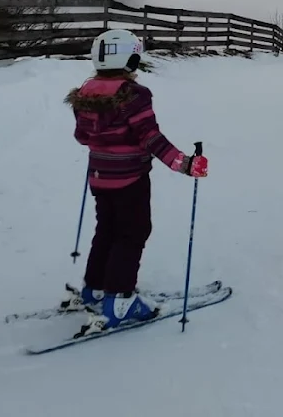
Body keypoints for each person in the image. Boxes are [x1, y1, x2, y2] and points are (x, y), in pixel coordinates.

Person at [64, 28, 207, 329]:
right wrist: (185, 164)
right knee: (132, 233)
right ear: (129, 59)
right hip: (130, 178)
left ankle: (96, 288)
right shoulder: (134, 96)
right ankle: (119, 301)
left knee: (107, 230)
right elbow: (150, 138)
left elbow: (81, 136)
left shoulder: (85, 94)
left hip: (100, 177)